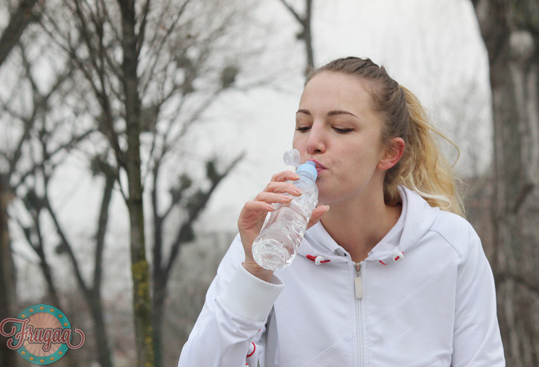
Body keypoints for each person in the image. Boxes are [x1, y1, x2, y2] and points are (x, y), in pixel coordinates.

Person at [178, 57, 505, 367]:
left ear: (389, 152)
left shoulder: (451, 245)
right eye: (304, 126)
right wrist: (256, 273)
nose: (313, 142)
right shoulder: (263, 246)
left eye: (341, 128)